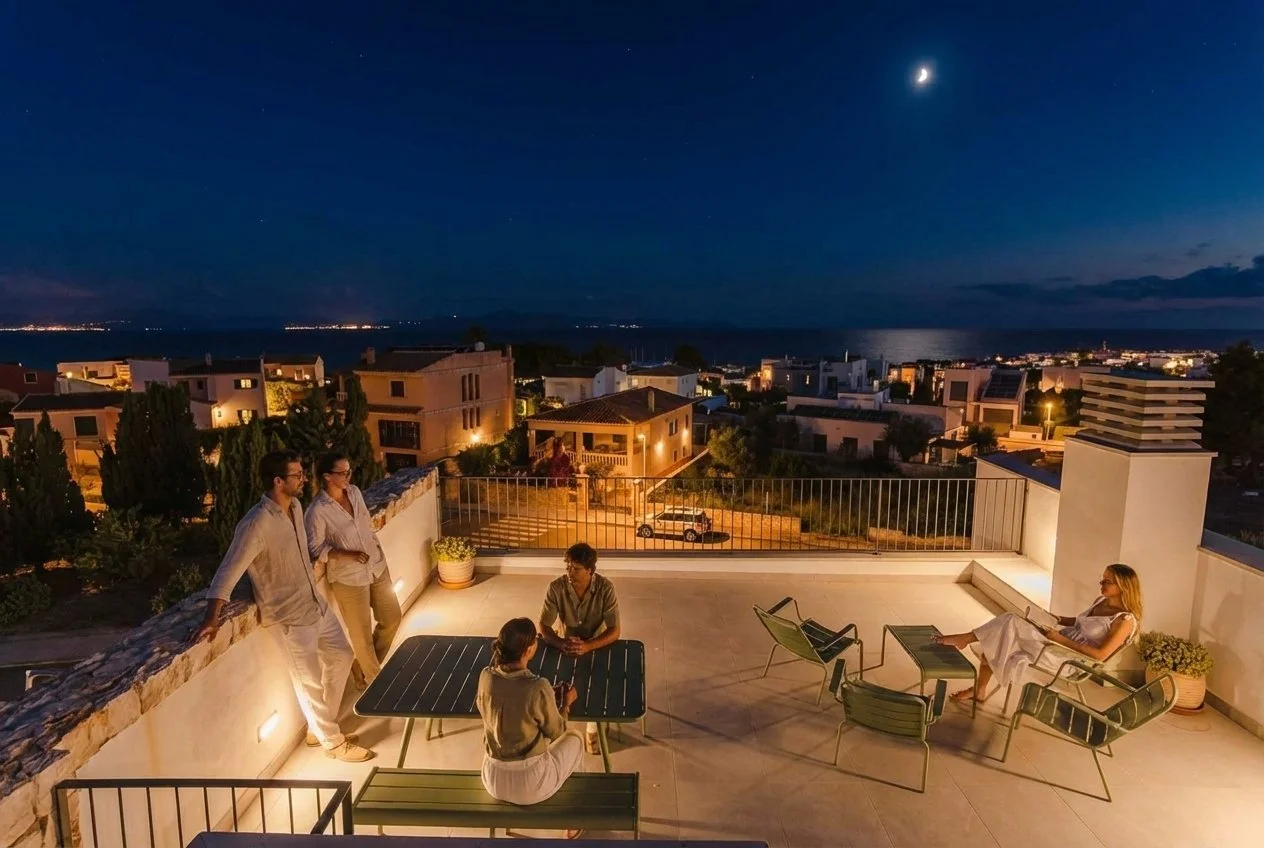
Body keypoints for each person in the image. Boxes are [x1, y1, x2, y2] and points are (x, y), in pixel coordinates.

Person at [194, 450, 375, 762]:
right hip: (289, 615)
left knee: (342, 655)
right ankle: (332, 742)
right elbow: (228, 570)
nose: (304, 479)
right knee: (308, 683)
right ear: (278, 481)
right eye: (297, 475)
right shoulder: (256, 524)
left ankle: (320, 728)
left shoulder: (296, 507)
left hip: (314, 602)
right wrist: (212, 617)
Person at [932, 563, 1143, 704]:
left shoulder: (1124, 620)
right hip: (1056, 644)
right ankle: (978, 689)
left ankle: (965, 640)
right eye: (1102, 579)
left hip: (1068, 660)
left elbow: (1101, 656)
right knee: (1002, 633)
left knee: (1009, 623)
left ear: (1123, 587)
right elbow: (1080, 622)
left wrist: (1060, 639)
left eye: (1107, 581)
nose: (1101, 584)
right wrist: (1055, 618)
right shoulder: (1101, 601)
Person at [476, 618, 585, 839]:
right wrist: (565, 704)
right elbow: (557, 731)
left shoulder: (486, 677)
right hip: (531, 783)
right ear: (528, 650)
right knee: (575, 739)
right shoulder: (538, 686)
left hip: (493, 779)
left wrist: (544, 699)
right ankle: (573, 820)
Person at [304, 452, 402, 689]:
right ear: (327, 476)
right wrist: (345, 554)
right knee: (361, 636)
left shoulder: (355, 493)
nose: (348, 476)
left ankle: (362, 667)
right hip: (348, 578)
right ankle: (376, 685)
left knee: (392, 618)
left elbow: (366, 524)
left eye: (349, 471)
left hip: (376, 566)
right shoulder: (317, 511)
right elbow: (314, 548)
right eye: (342, 473)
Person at [538, 542, 620, 754]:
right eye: (568, 567)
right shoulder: (556, 588)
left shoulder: (606, 589)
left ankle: (594, 724)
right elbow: (544, 626)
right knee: (551, 682)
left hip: (598, 644)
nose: (569, 572)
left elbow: (614, 631)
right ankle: (555, 722)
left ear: (590, 571)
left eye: (576, 569)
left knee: (597, 683)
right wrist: (561, 643)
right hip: (567, 644)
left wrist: (589, 646)